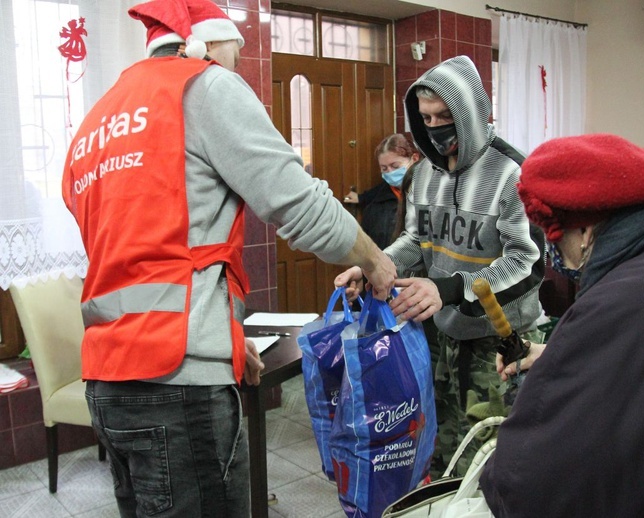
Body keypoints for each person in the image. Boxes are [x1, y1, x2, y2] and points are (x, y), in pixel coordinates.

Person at [61, 1, 396, 516]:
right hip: (178, 386)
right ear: (209, 45)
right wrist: (377, 263)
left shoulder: (98, 119)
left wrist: (227, 337)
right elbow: (299, 204)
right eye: (236, 53)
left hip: (108, 383)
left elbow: (148, 252)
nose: (236, 66)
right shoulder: (204, 85)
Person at [480, 134, 644, 517]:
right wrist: (567, 358)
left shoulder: (623, 305)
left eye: (554, 237)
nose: (557, 255)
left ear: (586, 230)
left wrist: (497, 479)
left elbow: (542, 489)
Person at [335, 55, 546, 476]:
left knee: (492, 458)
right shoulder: (424, 174)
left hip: (501, 341)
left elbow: (528, 262)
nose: (435, 127)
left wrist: (448, 288)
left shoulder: (511, 173)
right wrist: (374, 266)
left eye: (445, 116)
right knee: (442, 448)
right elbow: (416, 239)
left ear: (472, 114)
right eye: (426, 118)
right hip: (442, 334)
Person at [343, 133, 420, 249]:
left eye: (395, 166)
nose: (390, 172)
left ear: (414, 159)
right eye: (384, 168)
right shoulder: (378, 198)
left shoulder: (428, 193)